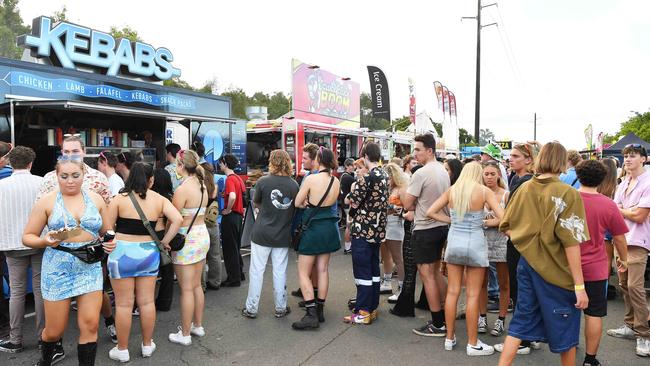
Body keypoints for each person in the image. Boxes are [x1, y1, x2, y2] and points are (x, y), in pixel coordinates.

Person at [496, 142, 590, 366]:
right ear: (562, 162)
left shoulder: (525, 188)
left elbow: (505, 225)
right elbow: (571, 243)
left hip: (527, 264)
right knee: (566, 329)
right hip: (556, 270)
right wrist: (580, 286)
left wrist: (526, 242)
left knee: (520, 322)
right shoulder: (567, 193)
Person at [23, 155, 115, 366]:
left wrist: (110, 242)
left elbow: (108, 230)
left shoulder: (96, 198)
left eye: (75, 175)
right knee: (54, 331)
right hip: (57, 268)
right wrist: (44, 241)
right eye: (64, 176)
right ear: (57, 176)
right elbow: (27, 236)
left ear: (84, 174)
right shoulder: (46, 201)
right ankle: (45, 360)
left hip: (89, 267)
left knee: (90, 325)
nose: (70, 180)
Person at [105, 163, 182, 362]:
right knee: (147, 302)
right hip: (148, 254)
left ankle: (122, 349)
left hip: (120, 254)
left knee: (123, 304)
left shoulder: (118, 200)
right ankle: (147, 345)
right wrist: (164, 242)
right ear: (151, 180)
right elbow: (178, 220)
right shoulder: (159, 199)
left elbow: (107, 229)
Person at [427, 162, 504, 356]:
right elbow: (503, 217)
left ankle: (449, 338)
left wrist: (451, 220)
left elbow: (431, 212)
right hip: (475, 243)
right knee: (472, 294)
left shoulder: (454, 190)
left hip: (454, 242)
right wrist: (485, 222)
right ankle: (472, 343)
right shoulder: (484, 191)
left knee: (452, 292)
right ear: (478, 174)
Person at [574, 159, 629, 366]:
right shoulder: (609, 204)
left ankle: (568, 348)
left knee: (567, 310)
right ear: (603, 178)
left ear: (578, 176)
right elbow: (620, 238)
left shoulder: (568, 199)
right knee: (594, 313)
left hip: (566, 266)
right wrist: (623, 259)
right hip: (596, 268)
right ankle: (590, 359)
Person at [400, 133, 450, 337]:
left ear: (430, 150)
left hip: (425, 227)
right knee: (436, 272)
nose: (415, 154)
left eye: (418, 149)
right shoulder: (442, 171)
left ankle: (438, 323)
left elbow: (407, 203)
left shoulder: (421, 173)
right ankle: (446, 314)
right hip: (440, 227)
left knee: (427, 274)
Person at [242, 150, 298, 319]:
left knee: (256, 271)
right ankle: (280, 307)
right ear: (288, 162)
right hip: (282, 234)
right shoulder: (294, 185)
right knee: (280, 271)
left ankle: (251, 308)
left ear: (272, 162)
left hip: (261, 233)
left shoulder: (263, 181)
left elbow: (256, 203)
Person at [495, 141, 538, 355]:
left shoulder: (527, 181)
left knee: (521, 289)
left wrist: (511, 230)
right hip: (516, 239)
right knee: (520, 288)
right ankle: (529, 335)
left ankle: (522, 339)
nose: (511, 159)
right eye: (510, 156)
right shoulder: (516, 178)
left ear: (529, 160)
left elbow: (526, 215)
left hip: (521, 241)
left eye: (516, 156)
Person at [607, 144, 650, 357]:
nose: (628, 159)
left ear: (644, 159)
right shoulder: (623, 182)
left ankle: (644, 333)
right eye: (625, 155)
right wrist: (627, 211)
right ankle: (630, 324)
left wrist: (623, 210)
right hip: (620, 239)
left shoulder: (648, 182)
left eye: (632, 155)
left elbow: (640, 216)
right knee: (624, 284)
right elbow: (616, 212)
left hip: (638, 241)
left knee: (635, 286)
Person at [0, 147, 44, 353]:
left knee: (17, 292)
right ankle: (44, 338)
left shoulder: (2, 186)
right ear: (30, 163)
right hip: (38, 242)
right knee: (40, 290)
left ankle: (15, 339)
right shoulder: (42, 182)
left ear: (10, 162)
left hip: (11, 244)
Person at [292, 147, 341, 330]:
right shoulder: (336, 181)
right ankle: (320, 310)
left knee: (304, 272)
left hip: (312, 229)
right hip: (329, 228)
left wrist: (306, 202)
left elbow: (298, 203)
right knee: (322, 270)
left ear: (319, 160)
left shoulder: (311, 179)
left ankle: (310, 314)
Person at [343, 142, 388, 324]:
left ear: (365, 156)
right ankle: (372, 308)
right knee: (374, 269)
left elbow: (352, 201)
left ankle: (362, 312)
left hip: (363, 230)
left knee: (362, 271)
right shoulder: (384, 174)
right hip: (378, 230)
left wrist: (349, 195)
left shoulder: (367, 177)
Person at [168, 149, 210, 345]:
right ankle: (198, 325)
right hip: (202, 236)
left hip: (187, 239)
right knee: (196, 285)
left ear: (182, 165)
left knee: (185, 288)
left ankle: (184, 334)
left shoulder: (182, 189)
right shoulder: (202, 185)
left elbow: (174, 219)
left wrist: (165, 240)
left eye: (177, 163)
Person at [479, 160, 510, 337]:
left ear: (498, 175)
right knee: (481, 282)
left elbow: (507, 220)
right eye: (486, 174)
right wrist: (493, 221)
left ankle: (501, 319)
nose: (489, 177)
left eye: (492, 174)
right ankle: (482, 317)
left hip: (501, 242)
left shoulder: (506, 195)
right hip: (482, 242)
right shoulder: (479, 193)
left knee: (503, 283)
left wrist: (485, 222)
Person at [193, 142, 223, 291]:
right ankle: (215, 282)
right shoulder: (213, 174)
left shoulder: (197, 176)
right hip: (213, 218)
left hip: (200, 220)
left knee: (201, 254)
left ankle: (202, 285)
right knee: (215, 254)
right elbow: (214, 194)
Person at [219, 153, 246, 287]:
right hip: (238, 216)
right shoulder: (238, 178)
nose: (219, 165)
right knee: (235, 246)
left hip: (231, 216)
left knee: (229, 248)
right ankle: (239, 273)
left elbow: (233, 196)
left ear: (225, 163)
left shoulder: (229, 179)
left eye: (221, 162)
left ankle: (233, 278)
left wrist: (228, 209)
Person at [151, 168, 176, 311]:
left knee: (150, 271)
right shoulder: (170, 197)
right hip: (166, 235)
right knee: (167, 271)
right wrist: (167, 239)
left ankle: (145, 302)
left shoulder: (152, 198)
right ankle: (165, 302)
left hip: (152, 235)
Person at [383, 163, 407, 304]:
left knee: (398, 258)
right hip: (385, 225)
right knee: (385, 256)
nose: (386, 179)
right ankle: (386, 283)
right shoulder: (387, 188)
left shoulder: (401, 189)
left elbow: (408, 207)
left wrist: (398, 210)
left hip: (395, 226)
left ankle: (402, 288)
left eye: (389, 176)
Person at [339, 158, 356, 253]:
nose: (354, 167)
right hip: (347, 204)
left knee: (348, 225)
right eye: (352, 165)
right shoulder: (348, 178)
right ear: (347, 166)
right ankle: (348, 247)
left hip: (344, 203)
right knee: (349, 225)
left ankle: (348, 246)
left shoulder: (343, 176)